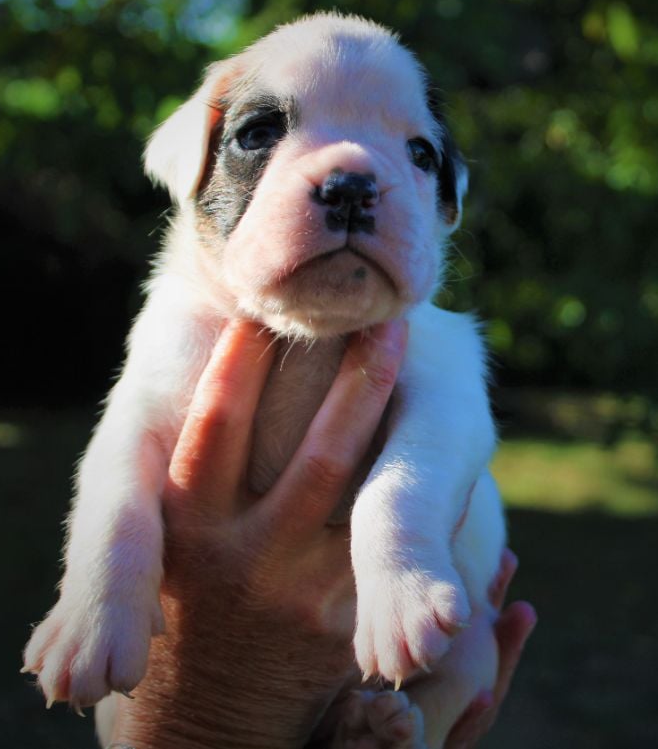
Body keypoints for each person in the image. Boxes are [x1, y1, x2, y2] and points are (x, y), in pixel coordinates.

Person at [102, 319, 537, 748]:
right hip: (182, 670)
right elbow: (126, 449)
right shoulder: (180, 318)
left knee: (470, 659)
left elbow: (455, 416)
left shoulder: (430, 337)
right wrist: (105, 585)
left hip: (414, 652)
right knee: (119, 674)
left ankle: (401, 732)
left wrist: (401, 539)